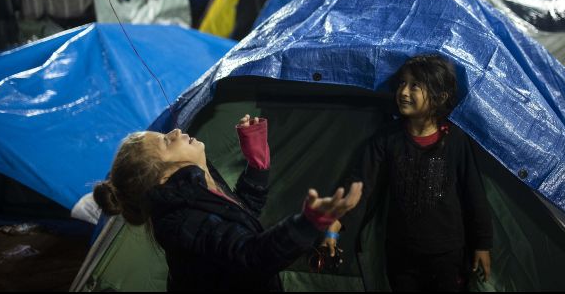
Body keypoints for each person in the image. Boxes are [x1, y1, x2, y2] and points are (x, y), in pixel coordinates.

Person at [93, 114, 363, 292]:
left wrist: (257, 165)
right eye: (165, 141)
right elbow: (251, 255)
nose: (175, 131)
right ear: (162, 176)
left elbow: (240, 216)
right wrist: (307, 224)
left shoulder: (193, 188)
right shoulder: (181, 221)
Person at [323, 55, 492, 292]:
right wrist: (334, 224)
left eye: (415, 86)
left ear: (439, 97)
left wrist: (481, 244)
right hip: (401, 254)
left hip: (447, 253)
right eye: (402, 83)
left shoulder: (455, 140)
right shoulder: (387, 139)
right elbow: (360, 185)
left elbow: (473, 193)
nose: (403, 92)